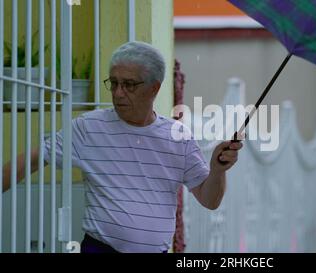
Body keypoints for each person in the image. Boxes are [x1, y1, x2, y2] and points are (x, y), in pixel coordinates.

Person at [2, 41, 243, 253]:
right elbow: (35, 158)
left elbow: (209, 200)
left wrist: (217, 170)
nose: (118, 93)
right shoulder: (89, 127)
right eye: (114, 83)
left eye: (129, 85)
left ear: (154, 88)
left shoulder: (178, 136)